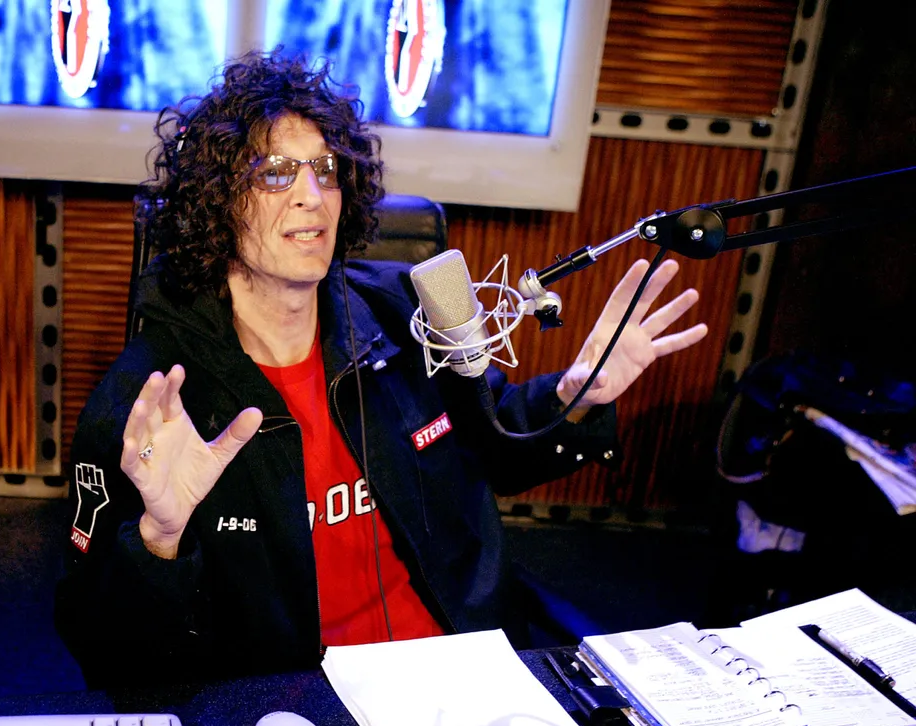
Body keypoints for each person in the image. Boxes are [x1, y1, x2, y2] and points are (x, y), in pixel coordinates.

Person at [56, 51, 707, 688]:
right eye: (278, 172)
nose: (313, 195)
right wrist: (159, 539)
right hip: (306, 716)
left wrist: (577, 393)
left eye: (326, 170)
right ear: (218, 203)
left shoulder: (410, 306)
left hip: (463, 670)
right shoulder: (148, 403)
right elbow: (112, 659)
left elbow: (497, 444)